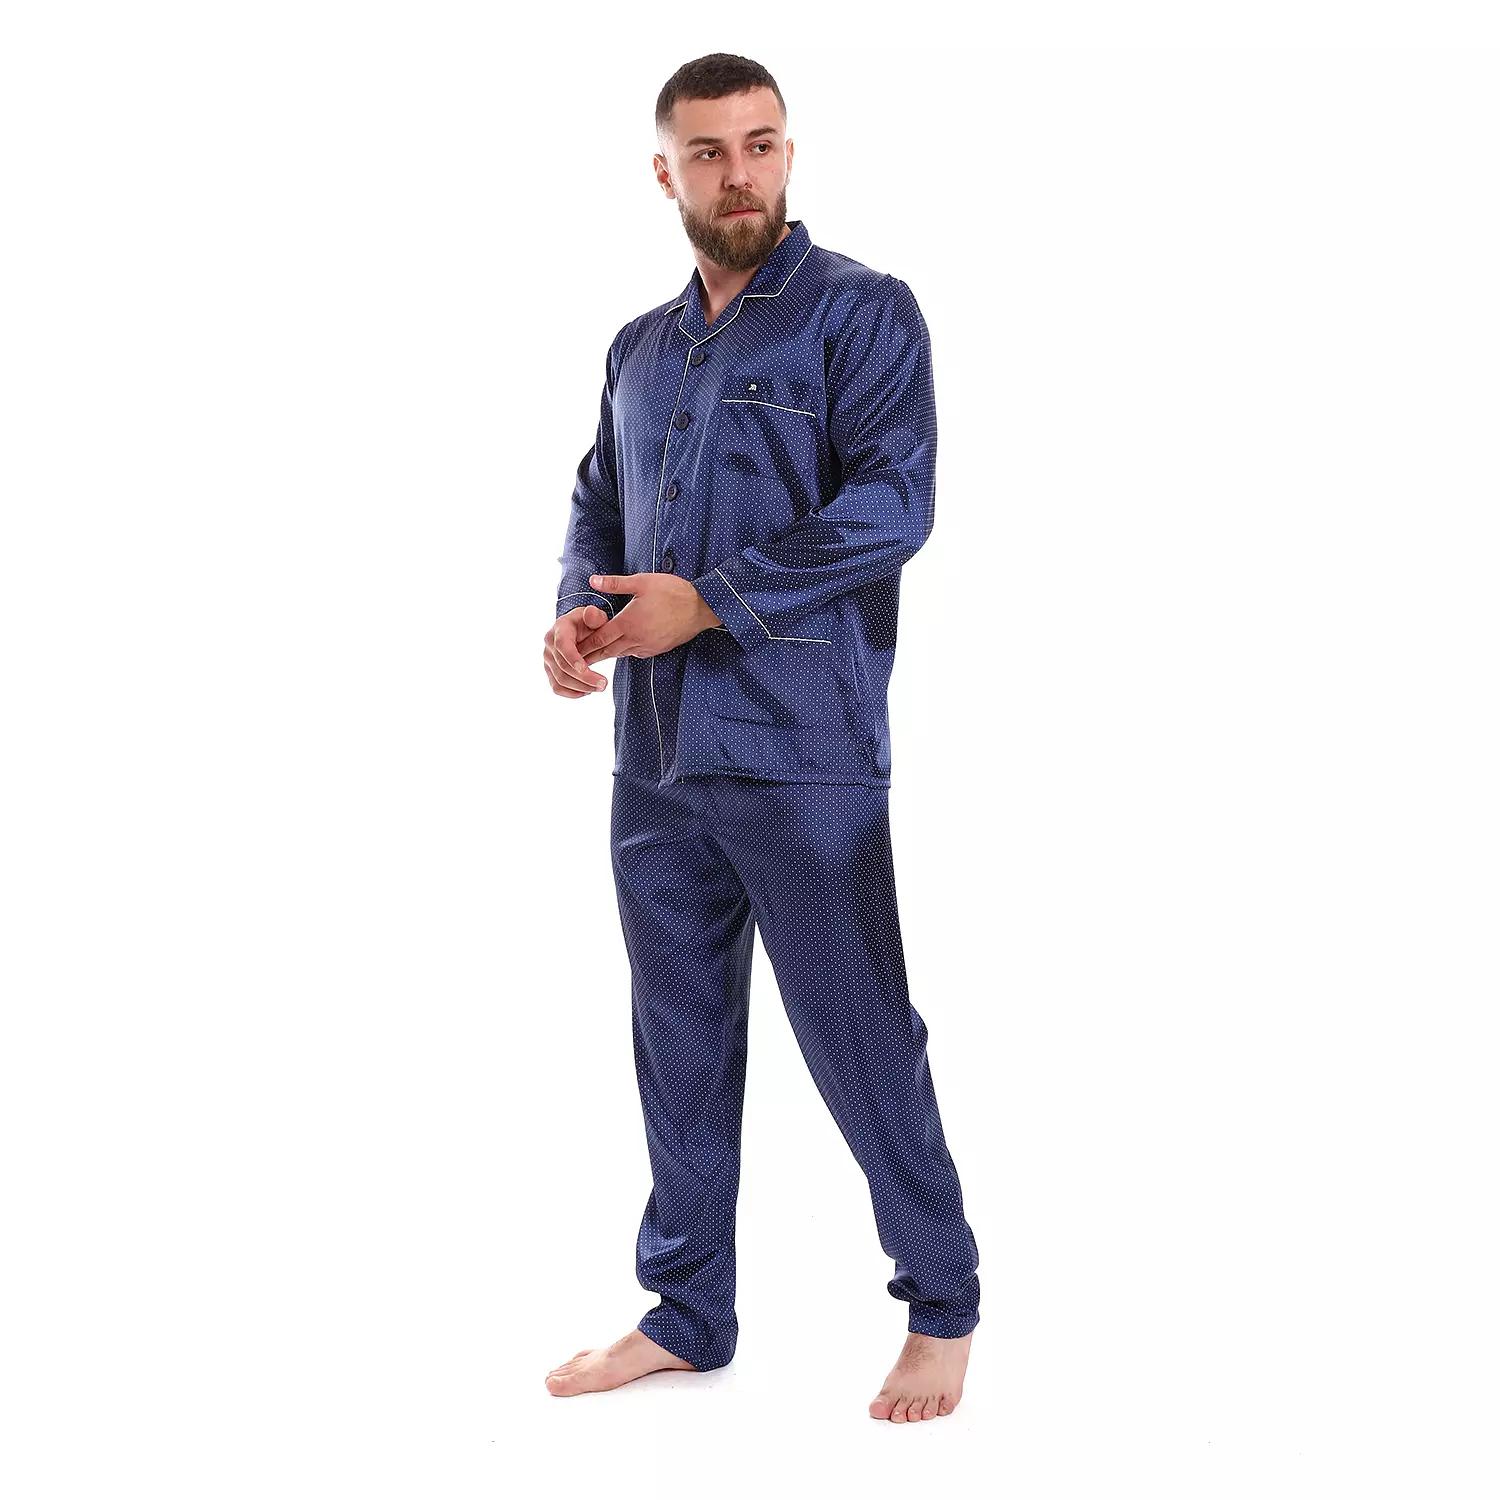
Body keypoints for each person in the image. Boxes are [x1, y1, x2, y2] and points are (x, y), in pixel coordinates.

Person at [541, 53, 981, 1423]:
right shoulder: (639, 347)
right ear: (664, 171)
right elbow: (598, 495)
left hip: (802, 752)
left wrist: (710, 601)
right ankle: (687, 1310)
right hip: (654, 758)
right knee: (677, 1041)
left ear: (788, 151)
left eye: (762, 144)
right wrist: (577, 611)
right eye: (710, 151)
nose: (741, 174)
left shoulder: (860, 312)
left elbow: (893, 506)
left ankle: (943, 1304)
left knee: (860, 1038)